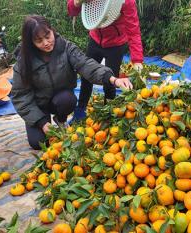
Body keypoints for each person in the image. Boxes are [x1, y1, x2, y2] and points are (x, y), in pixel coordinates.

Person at [11, 15, 133, 150]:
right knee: (38, 143)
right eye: (39, 40)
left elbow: (85, 64)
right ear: (31, 42)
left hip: (61, 99)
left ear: (52, 30)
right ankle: (45, 121)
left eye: (47, 36)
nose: (46, 42)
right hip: (38, 105)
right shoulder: (24, 61)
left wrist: (112, 79)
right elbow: (20, 96)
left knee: (67, 99)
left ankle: (61, 120)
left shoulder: (65, 47)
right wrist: (41, 123)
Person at [67, 0, 144, 121]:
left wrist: (137, 60)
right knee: (86, 76)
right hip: (95, 39)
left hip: (116, 43)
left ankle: (109, 113)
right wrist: (76, 3)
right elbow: (72, 10)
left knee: (111, 80)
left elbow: (133, 31)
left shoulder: (127, 2)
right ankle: (80, 110)